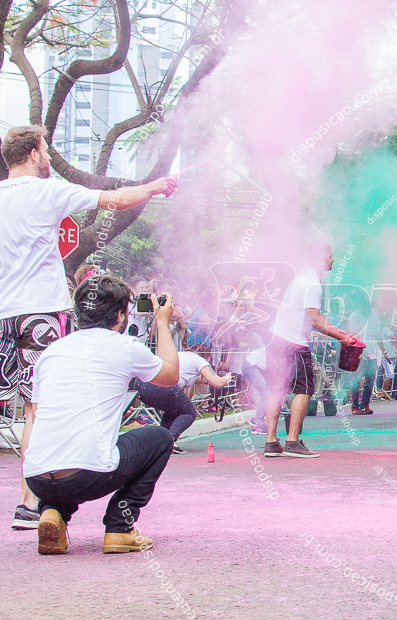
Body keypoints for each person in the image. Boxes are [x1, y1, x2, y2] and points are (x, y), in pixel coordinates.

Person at [1, 125, 176, 531]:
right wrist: (155, 185)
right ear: (31, 153)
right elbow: (116, 199)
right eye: (45, 149)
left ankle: (41, 503)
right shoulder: (46, 191)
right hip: (38, 309)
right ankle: (31, 504)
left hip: (2, 310)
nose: (48, 156)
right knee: (36, 406)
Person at [22, 274, 179, 554]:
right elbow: (170, 375)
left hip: (37, 478)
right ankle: (120, 527)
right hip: (87, 475)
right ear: (120, 315)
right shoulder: (124, 346)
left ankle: (52, 512)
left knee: (68, 445)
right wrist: (163, 323)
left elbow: (36, 415)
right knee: (159, 437)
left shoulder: (51, 352)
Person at [263, 243, 357, 458]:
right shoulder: (311, 282)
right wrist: (343, 337)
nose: (333, 260)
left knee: (277, 389)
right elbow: (314, 319)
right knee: (304, 390)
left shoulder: (302, 277)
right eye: (330, 256)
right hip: (293, 343)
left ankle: (271, 442)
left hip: (276, 338)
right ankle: (293, 442)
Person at [133, 350, 232, 453]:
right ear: (207, 358)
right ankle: (169, 441)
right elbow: (218, 383)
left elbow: (200, 379)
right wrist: (227, 377)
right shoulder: (200, 361)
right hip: (161, 385)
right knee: (189, 412)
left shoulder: (180, 355)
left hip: (141, 384)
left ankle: (161, 442)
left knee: (173, 410)